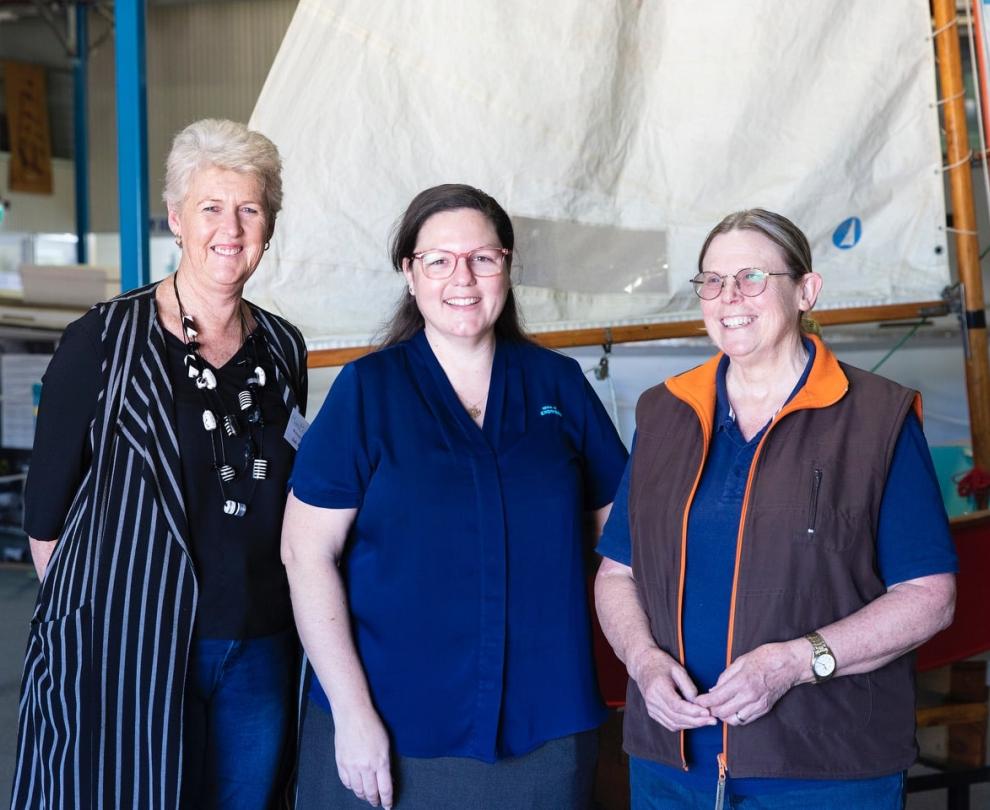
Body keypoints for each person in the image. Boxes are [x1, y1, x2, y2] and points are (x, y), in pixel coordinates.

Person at [595, 209, 957, 809]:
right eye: (713, 280)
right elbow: (616, 574)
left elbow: (928, 596)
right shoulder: (664, 412)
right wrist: (643, 662)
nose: (729, 297)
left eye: (753, 277)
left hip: (825, 771)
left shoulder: (878, 418)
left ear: (806, 291)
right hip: (670, 768)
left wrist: (794, 662)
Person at [282, 183, 628, 809]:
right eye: (439, 260)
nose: (462, 278)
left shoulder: (559, 385)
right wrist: (351, 713)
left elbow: (626, 538)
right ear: (410, 274)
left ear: (507, 267)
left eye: (482, 258)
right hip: (390, 727)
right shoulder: (367, 391)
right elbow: (306, 555)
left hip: (546, 724)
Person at [11, 119, 308, 810]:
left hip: (260, 644)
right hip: (135, 645)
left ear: (268, 224)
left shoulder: (283, 347)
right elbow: (46, 517)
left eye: (249, 208)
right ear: (176, 218)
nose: (230, 228)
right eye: (211, 207)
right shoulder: (103, 339)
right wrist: (104, 623)